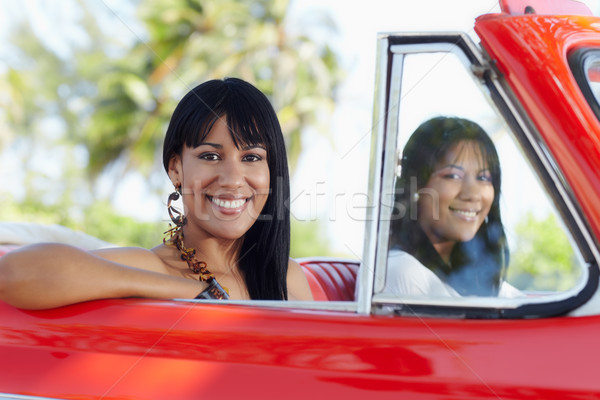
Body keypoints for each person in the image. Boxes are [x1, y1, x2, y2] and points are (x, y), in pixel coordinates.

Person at [0, 77, 313, 309]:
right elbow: (13, 272)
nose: (233, 179)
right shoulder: (153, 266)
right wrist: (194, 293)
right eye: (210, 156)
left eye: (251, 158)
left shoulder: (288, 276)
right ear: (176, 169)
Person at [385, 116, 521, 298]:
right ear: (416, 186)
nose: (472, 193)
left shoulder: (471, 278)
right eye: (453, 176)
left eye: (483, 178)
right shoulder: (403, 271)